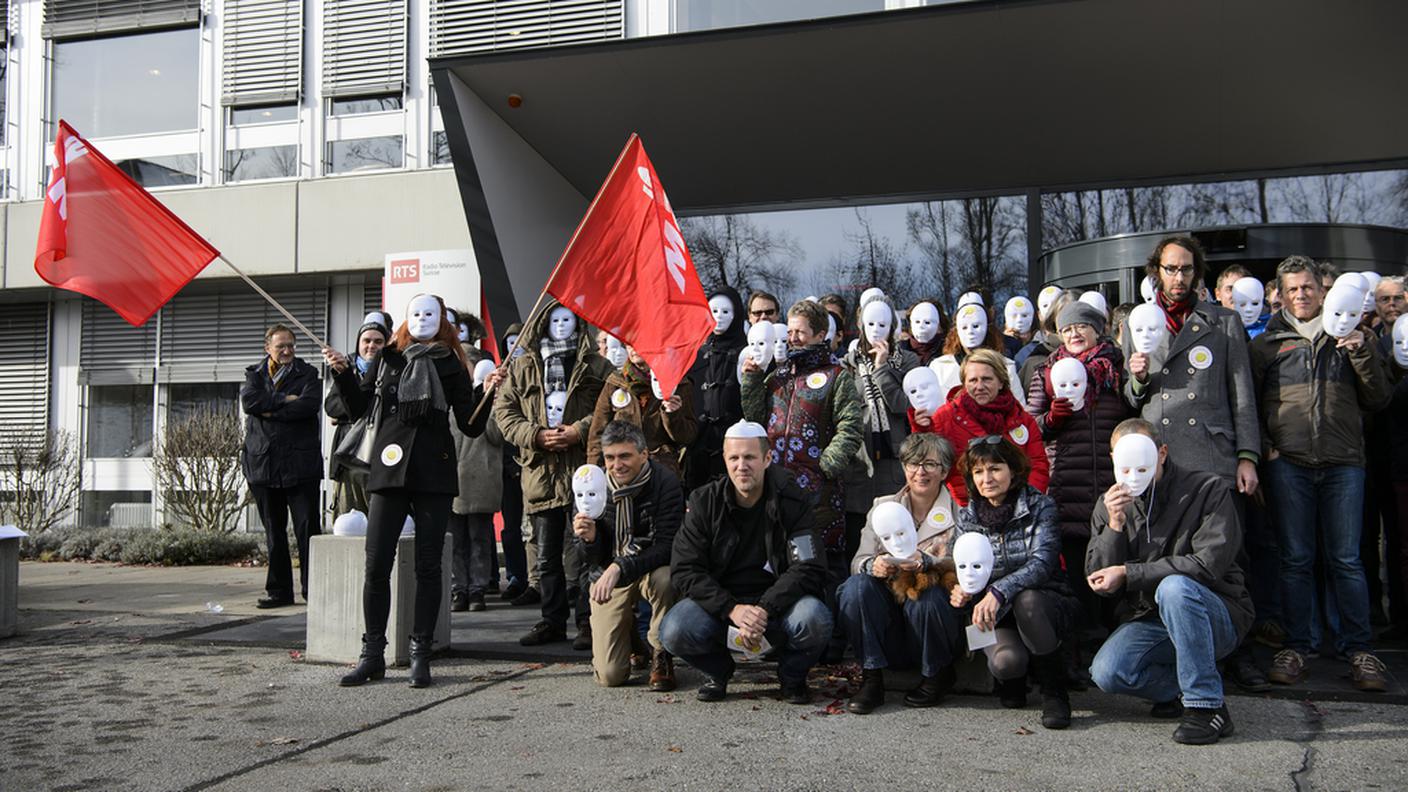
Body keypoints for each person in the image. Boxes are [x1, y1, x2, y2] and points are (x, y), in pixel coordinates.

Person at [1119, 236, 1265, 688]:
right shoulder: (1138, 323)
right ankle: (1176, 647)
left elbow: (1242, 395)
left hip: (1212, 456)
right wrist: (1138, 378)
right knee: (1169, 554)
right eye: (1170, 269)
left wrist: (1247, 456)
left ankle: (1238, 650)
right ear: (1156, 272)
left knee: (1228, 558)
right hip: (1160, 459)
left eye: (1186, 269)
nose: (1178, 277)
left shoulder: (1223, 322)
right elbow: (1131, 397)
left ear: (1196, 273)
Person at [324, 294, 486, 687]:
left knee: (428, 567)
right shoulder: (389, 358)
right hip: (389, 470)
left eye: (430, 314)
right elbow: (358, 408)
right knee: (376, 563)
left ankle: (421, 654)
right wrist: (344, 373)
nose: (422, 320)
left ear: (441, 321)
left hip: (434, 472)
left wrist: (488, 391)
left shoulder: (451, 362)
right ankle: (372, 654)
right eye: (416, 313)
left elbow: (470, 424)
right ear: (406, 320)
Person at [1249, 256, 1393, 692]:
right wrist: (1265, 447)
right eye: (1292, 289)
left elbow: (1379, 398)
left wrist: (1361, 353)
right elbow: (1248, 404)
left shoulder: (1353, 335)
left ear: (1322, 289)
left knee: (1346, 560)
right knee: (1295, 560)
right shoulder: (1267, 345)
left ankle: (1359, 650)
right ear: (1280, 294)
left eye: (1308, 287)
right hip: (1288, 464)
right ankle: (1298, 646)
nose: (1301, 295)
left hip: (1344, 462)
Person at [1087, 419, 1254, 745]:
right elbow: (1099, 577)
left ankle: (1205, 706)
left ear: (1162, 453)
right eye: (1123, 465)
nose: (1132, 476)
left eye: (1142, 463)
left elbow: (1208, 565)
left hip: (1216, 612)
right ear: (1112, 458)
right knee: (1108, 672)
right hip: (1153, 618)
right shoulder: (1109, 505)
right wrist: (1115, 527)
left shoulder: (1207, 489)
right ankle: (1187, 688)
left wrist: (1130, 573)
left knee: (1174, 587)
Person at [660, 421, 832, 704]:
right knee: (674, 630)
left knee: (814, 619)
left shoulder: (792, 500)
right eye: (734, 458)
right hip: (723, 606)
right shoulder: (704, 502)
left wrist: (764, 609)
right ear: (725, 461)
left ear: (767, 458)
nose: (742, 465)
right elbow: (685, 569)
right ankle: (719, 672)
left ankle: (791, 677)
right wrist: (731, 609)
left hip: (779, 603)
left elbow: (809, 566)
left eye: (750, 457)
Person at [741, 298, 863, 641]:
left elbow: (851, 427)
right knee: (785, 562)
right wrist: (751, 381)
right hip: (779, 486)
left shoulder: (836, 376)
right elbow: (755, 421)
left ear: (820, 334)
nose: (792, 337)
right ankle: (790, 637)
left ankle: (836, 640)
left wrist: (826, 467)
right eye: (790, 330)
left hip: (820, 491)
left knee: (826, 563)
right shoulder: (778, 375)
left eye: (800, 332)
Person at [494, 300, 614, 649]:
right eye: (555, 320)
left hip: (583, 471)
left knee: (586, 549)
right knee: (546, 554)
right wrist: (535, 435)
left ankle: (588, 622)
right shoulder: (523, 367)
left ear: (579, 326)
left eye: (569, 320)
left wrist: (579, 430)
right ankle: (552, 621)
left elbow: (611, 407)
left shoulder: (597, 365)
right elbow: (505, 412)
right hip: (541, 472)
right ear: (543, 324)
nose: (562, 326)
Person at [950, 434, 1076, 730]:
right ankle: (1016, 678)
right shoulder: (967, 517)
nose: (987, 478)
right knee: (1006, 664)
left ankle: (1054, 692)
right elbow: (959, 564)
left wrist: (1000, 589)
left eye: (995, 468)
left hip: (1045, 602)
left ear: (1013, 470)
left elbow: (1043, 563)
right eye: (978, 472)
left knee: (1027, 599)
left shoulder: (1040, 506)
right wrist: (959, 588)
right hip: (993, 610)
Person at [1024, 301, 1128, 642]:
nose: (1074, 334)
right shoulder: (1046, 373)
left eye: (1081, 327)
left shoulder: (1116, 369)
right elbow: (1029, 430)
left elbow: (1133, 411)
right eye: (1067, 329)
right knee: (1072, 565)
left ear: (1097, 329)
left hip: (1108, 480)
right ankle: (1078, 643)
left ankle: (1111, 638)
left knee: (1111, 556)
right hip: (1065, 481)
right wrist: (1052, 419)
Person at [839, 433, 963, 714]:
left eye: (930, 464)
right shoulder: (882, 507)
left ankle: (936, 674)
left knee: (927, 597)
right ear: (904, 468)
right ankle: (871, 677)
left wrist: (929, 561)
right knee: (855, 588)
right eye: (913, 463)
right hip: (889, 614)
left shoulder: (960, 512)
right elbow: (858, 562)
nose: (921, 472)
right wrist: (875, 565)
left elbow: (964, 566)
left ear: (944, 471)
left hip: (933, 616)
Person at [574, 421, 683, 690]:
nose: (616, 465)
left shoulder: (665, 482)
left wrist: (620, 566)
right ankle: (632, 638)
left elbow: (667, 546)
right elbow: (588, 558)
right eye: (610, 457)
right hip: (609, 573)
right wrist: (589, 539)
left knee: (666, 579)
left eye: (625, 456)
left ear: (644, 455)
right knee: (610, 676)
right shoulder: (591, 485)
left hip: (649, 567)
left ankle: (661, 653)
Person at [242, 324, 323, 610]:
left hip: (301, 467)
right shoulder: (254, 375)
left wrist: (269, 410)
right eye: (281, 346)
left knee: (307, 530)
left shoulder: (309, 374)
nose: (287, 351)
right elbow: (249, 402)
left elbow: (308, 406)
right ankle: (279, 592)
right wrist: (284, 400)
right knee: (273, 532)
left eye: (291, 345)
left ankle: (313, 590)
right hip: (263, 465)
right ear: (268, 348)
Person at [911, 349, 1049, 507]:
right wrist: (922, 430)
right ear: (964, 383)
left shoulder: (1022, 419)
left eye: (987, 379)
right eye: (973, 380)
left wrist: (1025, 503)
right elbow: (929, 462)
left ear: (1001, 382)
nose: (980, 386)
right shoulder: (945, 417)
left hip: (1017, 508)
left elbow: (1038, 465)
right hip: (965, 508)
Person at [841, 295, 918, 541]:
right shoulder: (848, 366)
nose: (876, 331)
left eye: (882, 325)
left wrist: (882, 368)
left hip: (894, 459)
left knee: (894, 528)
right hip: (861, 461)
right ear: (862, 325)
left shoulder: (908, 362)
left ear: (892, 327)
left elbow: (903, 407)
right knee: (858, 535)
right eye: (870, 324)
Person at [448, 321, 504, 613]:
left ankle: (478, 589)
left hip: (481, 479)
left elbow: (496, 435)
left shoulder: (492, 399)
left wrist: (491, 400)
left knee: (479, 539)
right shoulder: (449, 397)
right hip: (451, 478)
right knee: (456, 541)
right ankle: (459, 589)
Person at [587, 344, 697, 479]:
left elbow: (687, 436)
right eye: (629, 344)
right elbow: (597, 432)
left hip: (661, 472)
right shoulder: (616, 382)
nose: (634, 349)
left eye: (639, 343)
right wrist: (594, 471)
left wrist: (671, 414)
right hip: (621, 470)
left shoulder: (678, 383)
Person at [325, 314, 389, 517]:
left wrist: (352, 411)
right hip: (348, 458)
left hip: (380, 459)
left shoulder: (392, 369)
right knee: (348, 522)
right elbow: (332, 406)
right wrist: (358, 408)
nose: (371, 346)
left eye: (378, 341)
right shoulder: (346, 368)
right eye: (367, 341)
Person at [684, 287, 748, 490]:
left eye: (726, 312)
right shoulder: (695, 354)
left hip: (736, 446)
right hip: (698, 448)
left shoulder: (747, 353)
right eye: (714, 312)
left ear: (736, 314)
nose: (719, 318)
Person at [496, 322, 533, 604]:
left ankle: (536, 580)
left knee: (534, 528)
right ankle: (515, 576)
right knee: (511, 529)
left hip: (534, 461)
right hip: (508, 465)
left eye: (519, 342)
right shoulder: (498, 379)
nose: (515, 348)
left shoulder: (537, 375)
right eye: (510, 343)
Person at [932, 301, 1023, 406]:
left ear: (987, 328)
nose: (970, 331)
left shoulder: (1006, 367)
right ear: (956, 330)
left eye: (976, 326)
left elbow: (1020, 412)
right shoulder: (939, 368)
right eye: (964, 327)